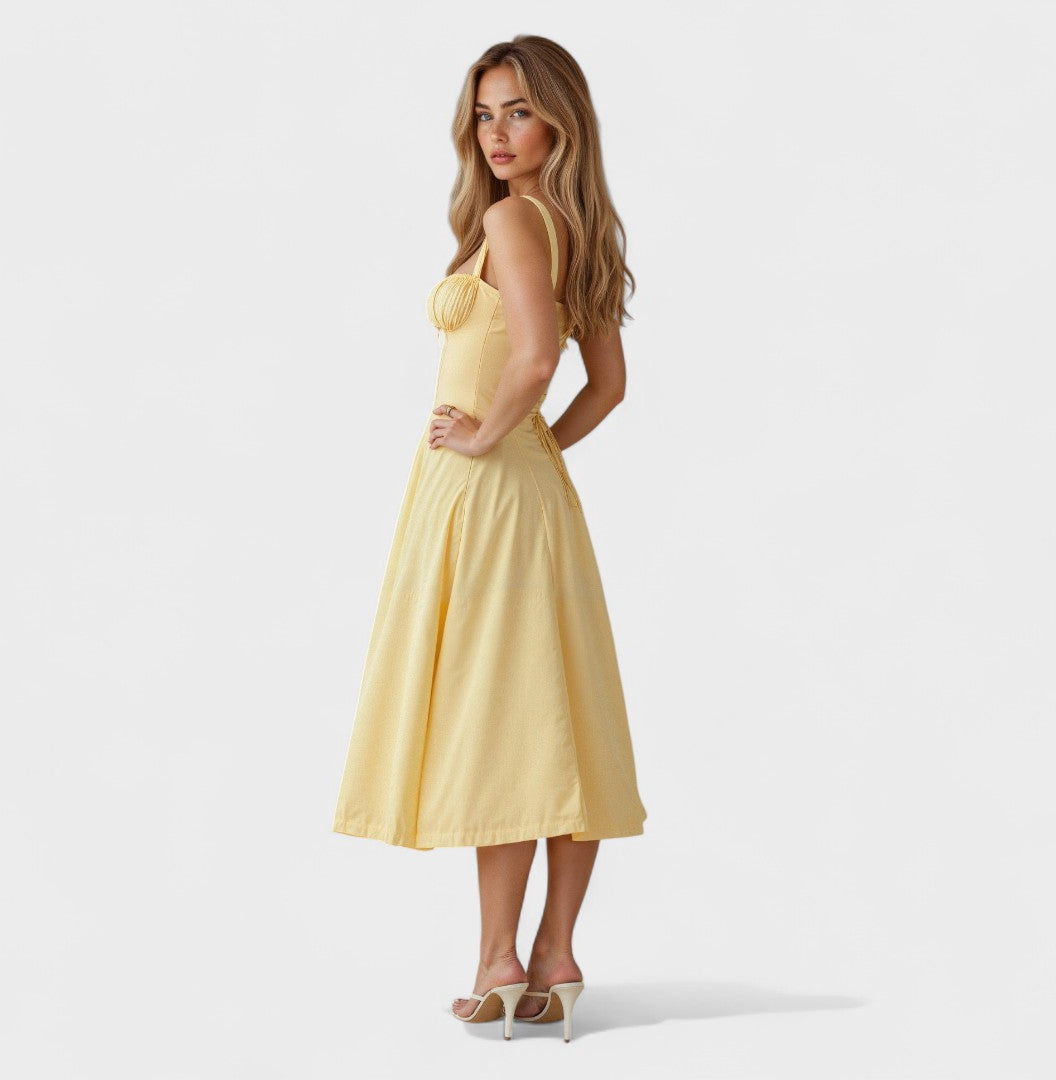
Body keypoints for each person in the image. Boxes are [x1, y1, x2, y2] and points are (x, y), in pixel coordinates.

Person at [331, 34, 647, 1041]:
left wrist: (487, 440)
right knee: (561, 713)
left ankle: (500, 959)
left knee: (501, 717)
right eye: (484, 113)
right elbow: (608, 384)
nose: (497, 133)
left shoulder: (513, 220)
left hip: (485, 500)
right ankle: (554, 955)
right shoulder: (578, 230)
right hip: (531, 499)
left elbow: (540, 358)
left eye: (518, 111)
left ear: (559, 119)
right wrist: (534, 451)